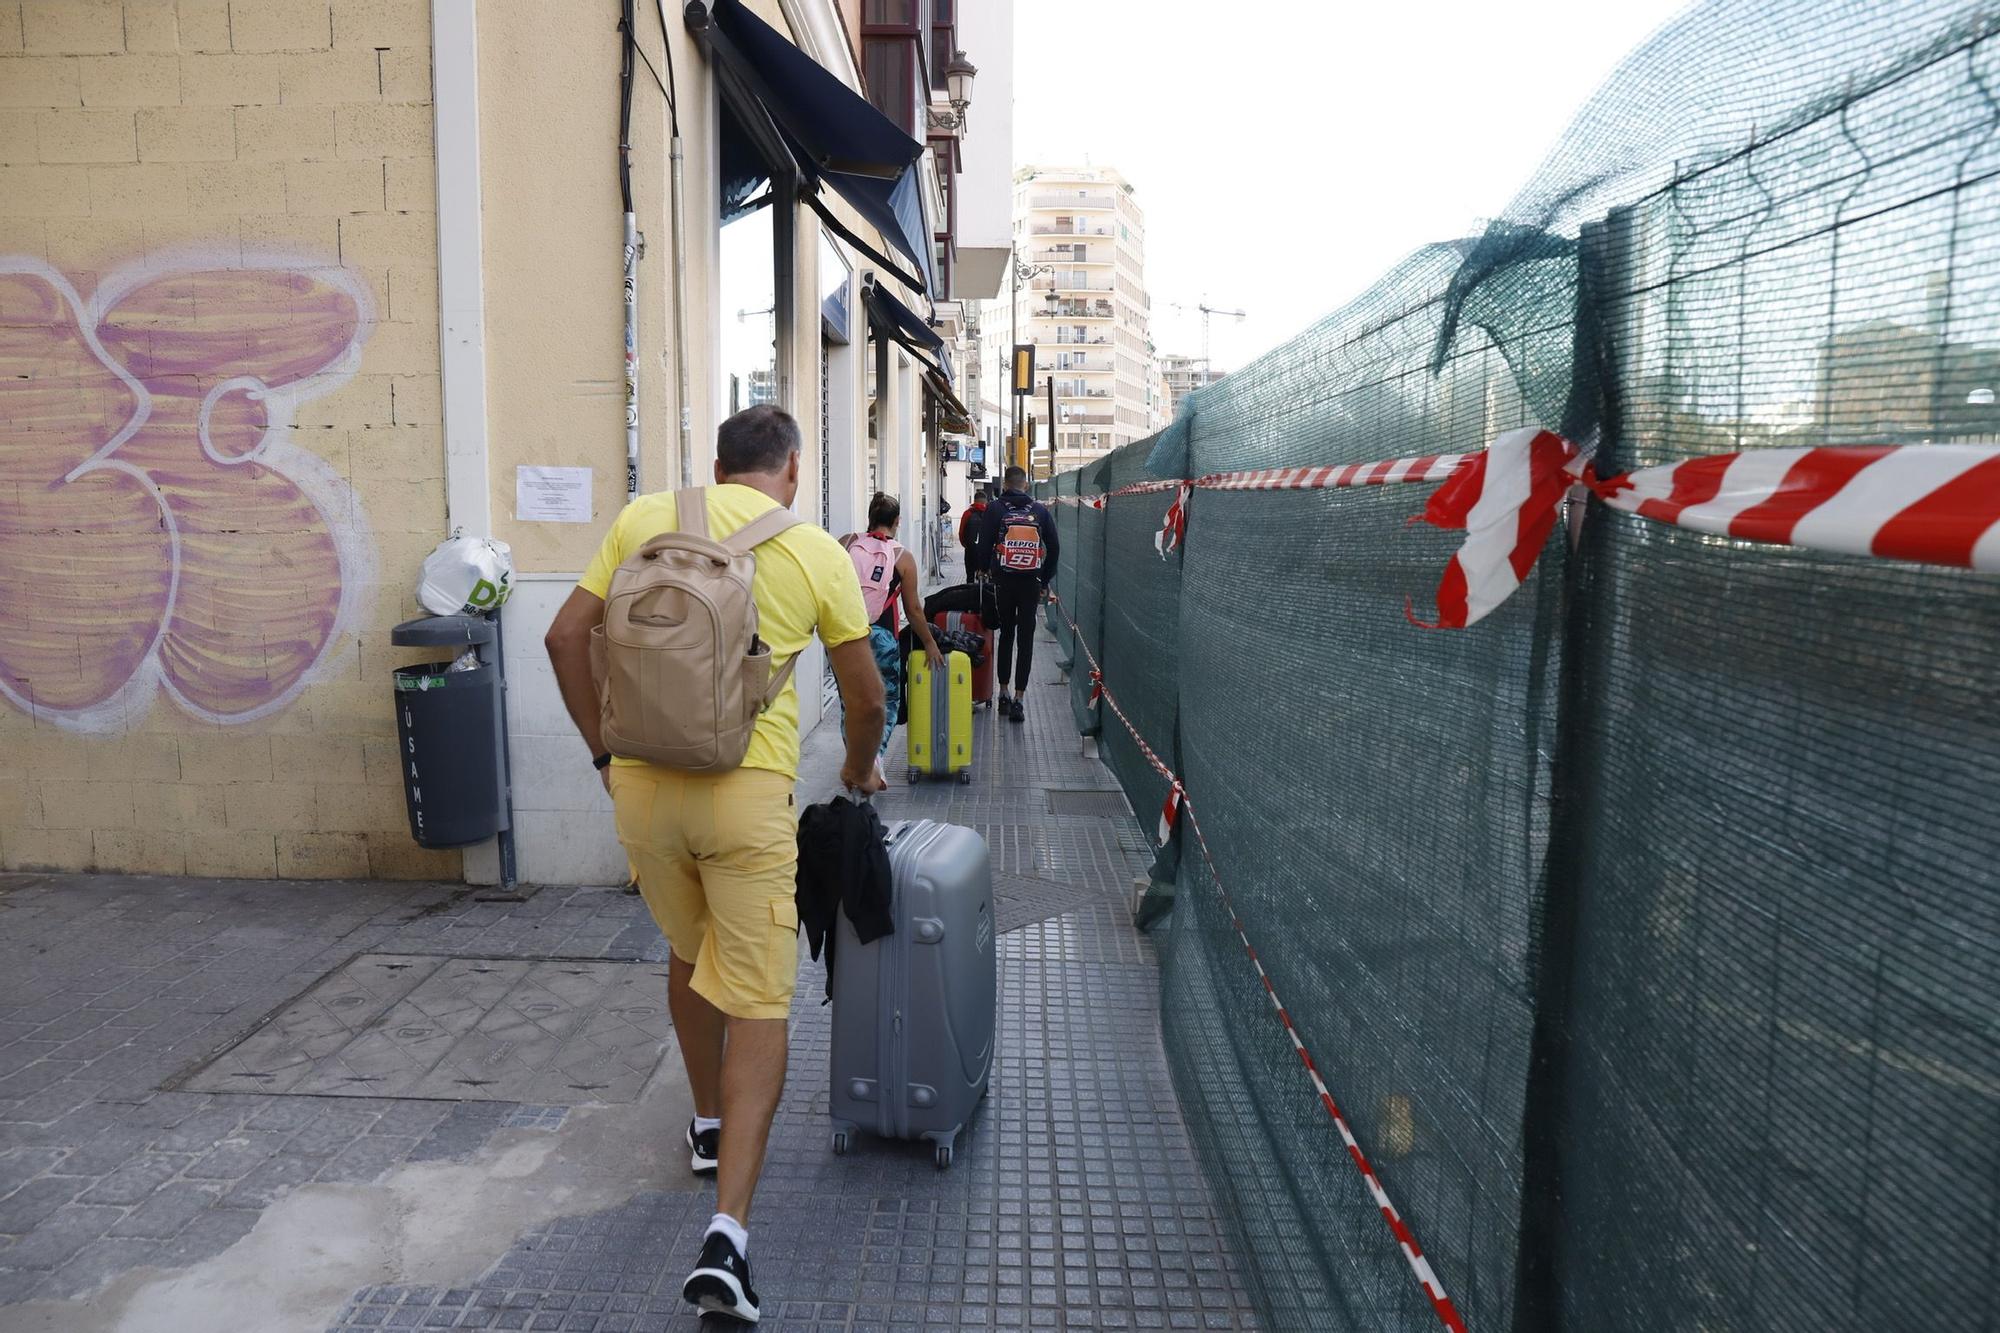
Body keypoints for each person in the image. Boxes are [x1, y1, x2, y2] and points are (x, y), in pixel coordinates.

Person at [543, 405, 887, 1325]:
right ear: (792, 469)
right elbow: (864, 695)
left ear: (718, 465)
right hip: (746, 798)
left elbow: (561, 637)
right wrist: (859, 765)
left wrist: (601, 753)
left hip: (643, 796)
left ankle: (705, 1121)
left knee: (690, 951)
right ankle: (727, 1240)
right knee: (761, 998)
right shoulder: (815, 550)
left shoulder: (643, 518)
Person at [841, 492, 946, 780]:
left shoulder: (847, 543)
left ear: (869, 517)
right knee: (886, 700)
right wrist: (929, 642)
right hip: (883, 637)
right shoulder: (903, 558)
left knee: (849, 700)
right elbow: (912, 609)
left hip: (845, 636)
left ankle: (854, 757)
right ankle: (874, 756)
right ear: (897, 521)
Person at [977, 466, 1059, 723]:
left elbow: (983, 545)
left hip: (1003, 581)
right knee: (1026, 641)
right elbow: (1054, 548)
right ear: (1026, 484)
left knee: (1006, 636)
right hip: (1030, 584)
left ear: (1006, 485)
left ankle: (1002, 692)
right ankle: (1019, 700)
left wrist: (985, 570)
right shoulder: (1040, 511)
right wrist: (1043, 579)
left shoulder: (995, 509)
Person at [957, 482, 990, 574]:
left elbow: (961, 532)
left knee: (970, 575)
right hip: (986, 551)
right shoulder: (990, 513)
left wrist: (966, 545)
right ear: (985, 501)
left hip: (970, 550)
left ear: (974, 501)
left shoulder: (967, 513)